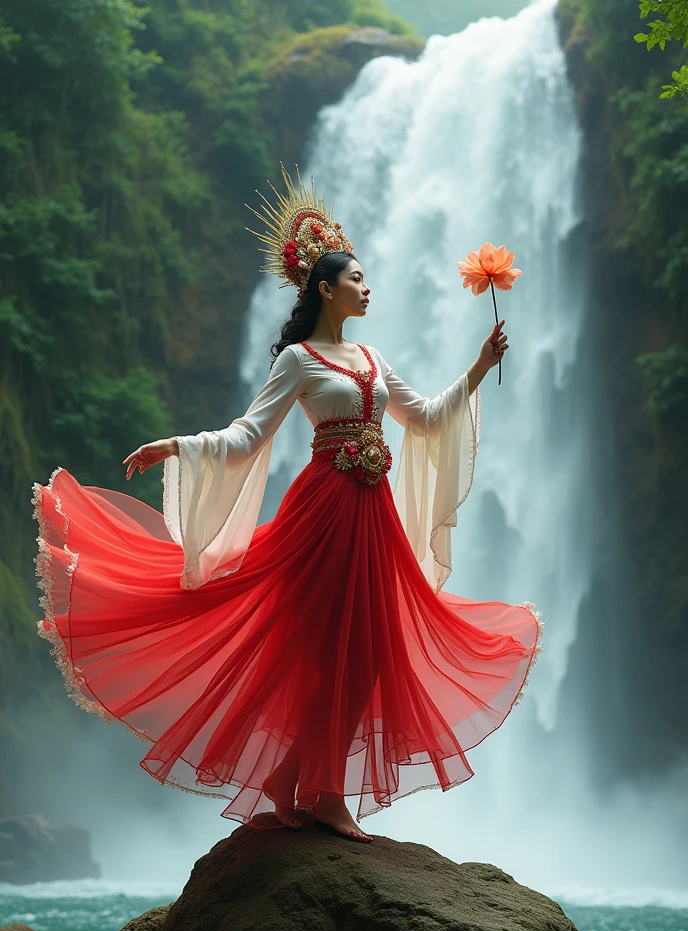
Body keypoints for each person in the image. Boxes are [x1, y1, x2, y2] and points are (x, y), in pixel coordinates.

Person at [33, 165, 543, 844]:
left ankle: (293, 778)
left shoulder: (370, 355)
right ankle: (326, 794)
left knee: (369, 654)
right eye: (357, 279)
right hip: (324, 513)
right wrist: (177, 446)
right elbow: (248, 435)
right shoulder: (299, 360)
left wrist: (478, 368)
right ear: (326, 288)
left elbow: (421, 417)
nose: (369, 287)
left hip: (372, 515)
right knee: (322, 651)